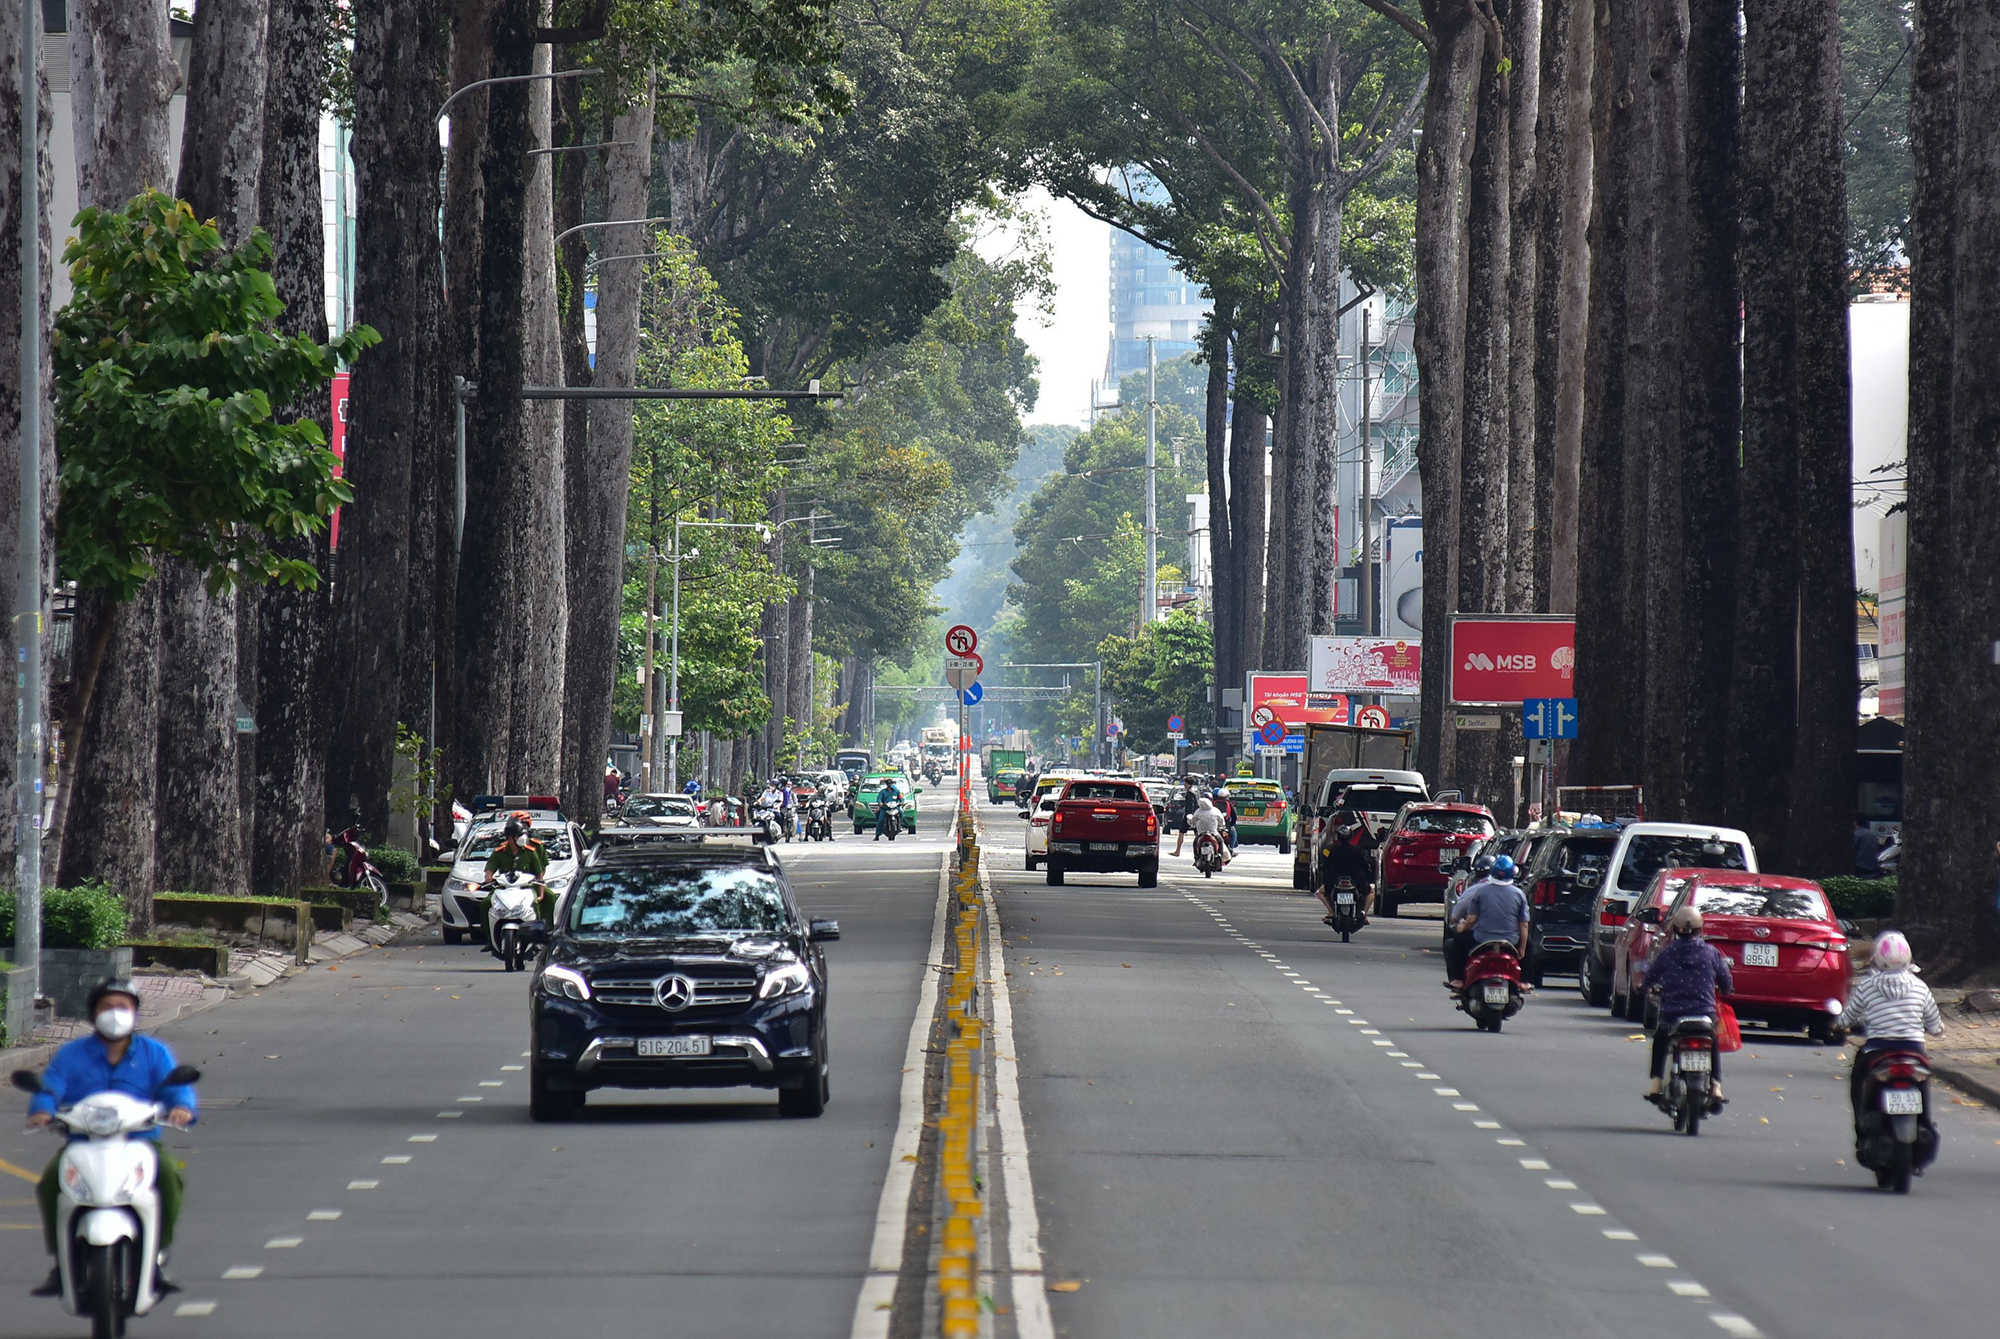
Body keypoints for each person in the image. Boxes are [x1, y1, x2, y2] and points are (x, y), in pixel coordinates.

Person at [28, 981, 196, 1296]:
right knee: (51, 1182)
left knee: (169, 1177)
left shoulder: (154, 1053)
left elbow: (175, 1088)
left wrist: (181, 1108)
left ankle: (157, 1255)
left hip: (140, 1143)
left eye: (123, 1007)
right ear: (94, 1013)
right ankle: (61, 1263)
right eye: (107, 1007)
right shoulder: (71, 1055)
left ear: (135, 1012)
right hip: (84, 1143)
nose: (115, 1013)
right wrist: (42, 1110)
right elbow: (50, 1088)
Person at [1836, 930, 1944, 1130]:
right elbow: (1934, 1022)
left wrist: (1840, 1025)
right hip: (1914, 1050)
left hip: (1877, 1049)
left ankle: (1860, 1123)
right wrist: (1937, 1030)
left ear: (1878, 958)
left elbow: (1850, 1015)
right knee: (1923, 1080)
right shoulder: (1920, 987)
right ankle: (1925, 1124)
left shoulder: (1867, 986)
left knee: (1858, 1076)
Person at [1644, 907, 1734, 1104]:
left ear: (1675, 929)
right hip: (1705, 1015)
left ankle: (1656, 1084)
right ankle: (1716, 1086)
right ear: (1700, 929)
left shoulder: (1668, 953)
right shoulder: (1711, 953)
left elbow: (1650, 977)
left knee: (1660, 1040)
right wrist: (1726, 989)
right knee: (1713, 1041)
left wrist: (1647, 987)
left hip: (1672, 1016)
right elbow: (1726, 981)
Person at [1445, 855, 1529, 989]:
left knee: (1451, 944)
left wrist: (1461, 929)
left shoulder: (1480, 891)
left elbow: (1471, 920)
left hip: (1481, 939)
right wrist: (1522, 949)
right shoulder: (1519, 894)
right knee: (1530, 945)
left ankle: (1458, 980)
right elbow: (1524, 924)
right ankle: (1525, 982)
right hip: (1511, 941)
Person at [1315, 808, 1378, 923]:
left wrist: (1323, 868)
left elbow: (1326, 864)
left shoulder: (1333, 850)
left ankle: (1331, 912)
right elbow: (1364, 865)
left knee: (1320, 892)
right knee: (1371, 892)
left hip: (1335, 879)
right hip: (1356, 880)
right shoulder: (1357, 850)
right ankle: (1364, 913)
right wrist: (1368, 870)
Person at [1188, 795, 1230, 865]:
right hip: (1214, 833)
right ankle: (1220, 856)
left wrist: (1192, 824)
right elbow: (1222, 821)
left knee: (1195, 843)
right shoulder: (1215, 811)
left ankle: (1196, 857)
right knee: (1221, 842)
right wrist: (1222, 825)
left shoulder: (1198, 811)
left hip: (1200, 833)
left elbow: (1193, 821)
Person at [1171, 778, 1200, 856]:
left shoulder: (1190, 793)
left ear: (1187, 783)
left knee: (1181, 832)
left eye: (1184, 782)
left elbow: (1191, 805)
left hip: (1189, 816)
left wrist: (1189, 816)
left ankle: (1177, 851)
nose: (1184, 784)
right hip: (1196, 815)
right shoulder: (1196, 791)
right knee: (1198, 834)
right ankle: (1199, 852)